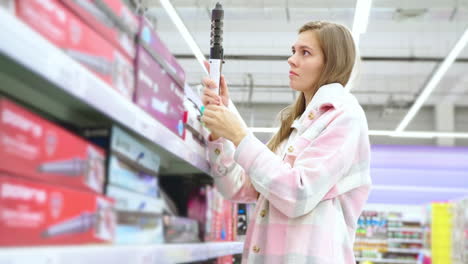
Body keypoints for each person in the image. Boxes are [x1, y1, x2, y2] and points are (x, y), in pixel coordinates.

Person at [201, 21, 371, 264]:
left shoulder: (344, 116)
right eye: (293, 51)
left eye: (305, 53)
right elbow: (237, 187)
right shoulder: (295, 128)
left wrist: (239, 134)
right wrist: (220, 133)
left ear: (331, 63)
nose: (291, 60)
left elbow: (298, 194)